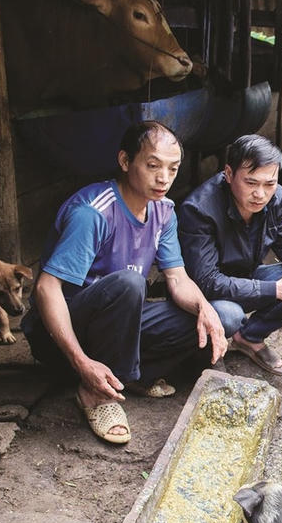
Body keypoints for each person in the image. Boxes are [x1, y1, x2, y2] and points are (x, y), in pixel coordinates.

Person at [23, 121, 227, 444]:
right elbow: (46, 289)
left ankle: (123, 377)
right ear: (124, 161)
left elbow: (177, 278)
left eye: (173, 169)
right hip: (62, 333)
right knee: (131, 285)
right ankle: (95, 393)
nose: (164, 178)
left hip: (117, 325)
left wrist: (205, 308)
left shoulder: (163, 212)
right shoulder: (93, 213)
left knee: (217, 318)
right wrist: (81, 360)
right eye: (152, 165)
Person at [178, 133, 282, 376]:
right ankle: (204, 353)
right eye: (251, 183)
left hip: (249, 277)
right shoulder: (199, 210)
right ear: (228, 174)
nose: (261, 194)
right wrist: (276, 290)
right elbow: (206, 282)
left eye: (269, 184)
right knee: (229, 315)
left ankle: (248, 337)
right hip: (206, 295)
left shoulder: (276, 196)